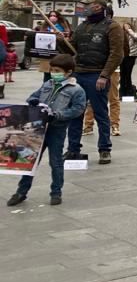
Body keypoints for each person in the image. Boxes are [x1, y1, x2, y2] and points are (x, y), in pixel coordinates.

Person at [6, 54, 86, 208]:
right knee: (30, 160)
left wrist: (58, 115)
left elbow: (78, 109)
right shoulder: (48, 84)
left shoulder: (76, 90)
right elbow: (33, 96)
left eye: (57, 70)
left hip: (57, 129)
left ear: (68, 72)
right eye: (52, 69)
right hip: (38, 128)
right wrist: (33, 101)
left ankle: (56, 192)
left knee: (55, 162)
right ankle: (21, 192)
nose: (53, 72)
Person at [66, 0, 123, 165]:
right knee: (75, 114)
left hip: (97, 75)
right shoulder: (82, 26)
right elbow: (71, 49)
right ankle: (73, 149)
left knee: (100, 114)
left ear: (98, 6)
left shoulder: (112, 27)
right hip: (79, 75)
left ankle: (104, 149)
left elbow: (116, 54)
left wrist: (104, 75)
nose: (84, 7)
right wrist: (62, 40)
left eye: (87, 4)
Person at [82, 5, 124, 138]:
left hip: (112, 70)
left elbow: (120, 51)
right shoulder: (90, 27)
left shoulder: (115, 28)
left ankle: (114, 125)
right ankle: (88, 125)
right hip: (96, 69)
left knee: (113, 98)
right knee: (91, 99)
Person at [38, 11, 73, 83]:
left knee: (59, 74)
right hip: (48, 54)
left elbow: (68, 37)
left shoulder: (63, 25)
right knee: (48, 75)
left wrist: (62, 36)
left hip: (60, 53)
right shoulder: (45, 26)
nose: (52, 17)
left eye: (54, 15)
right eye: (51, 15)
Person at [120, 20, 137, 98]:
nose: (126, 27)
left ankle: (129, 91)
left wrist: (129, 31)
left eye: (128, 26)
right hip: (123, 56)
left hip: (131, 55)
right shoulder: (121, 35)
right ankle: (122, 91)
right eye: (124, 26)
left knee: (128, 74)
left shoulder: (133, 35)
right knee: (122, 74)